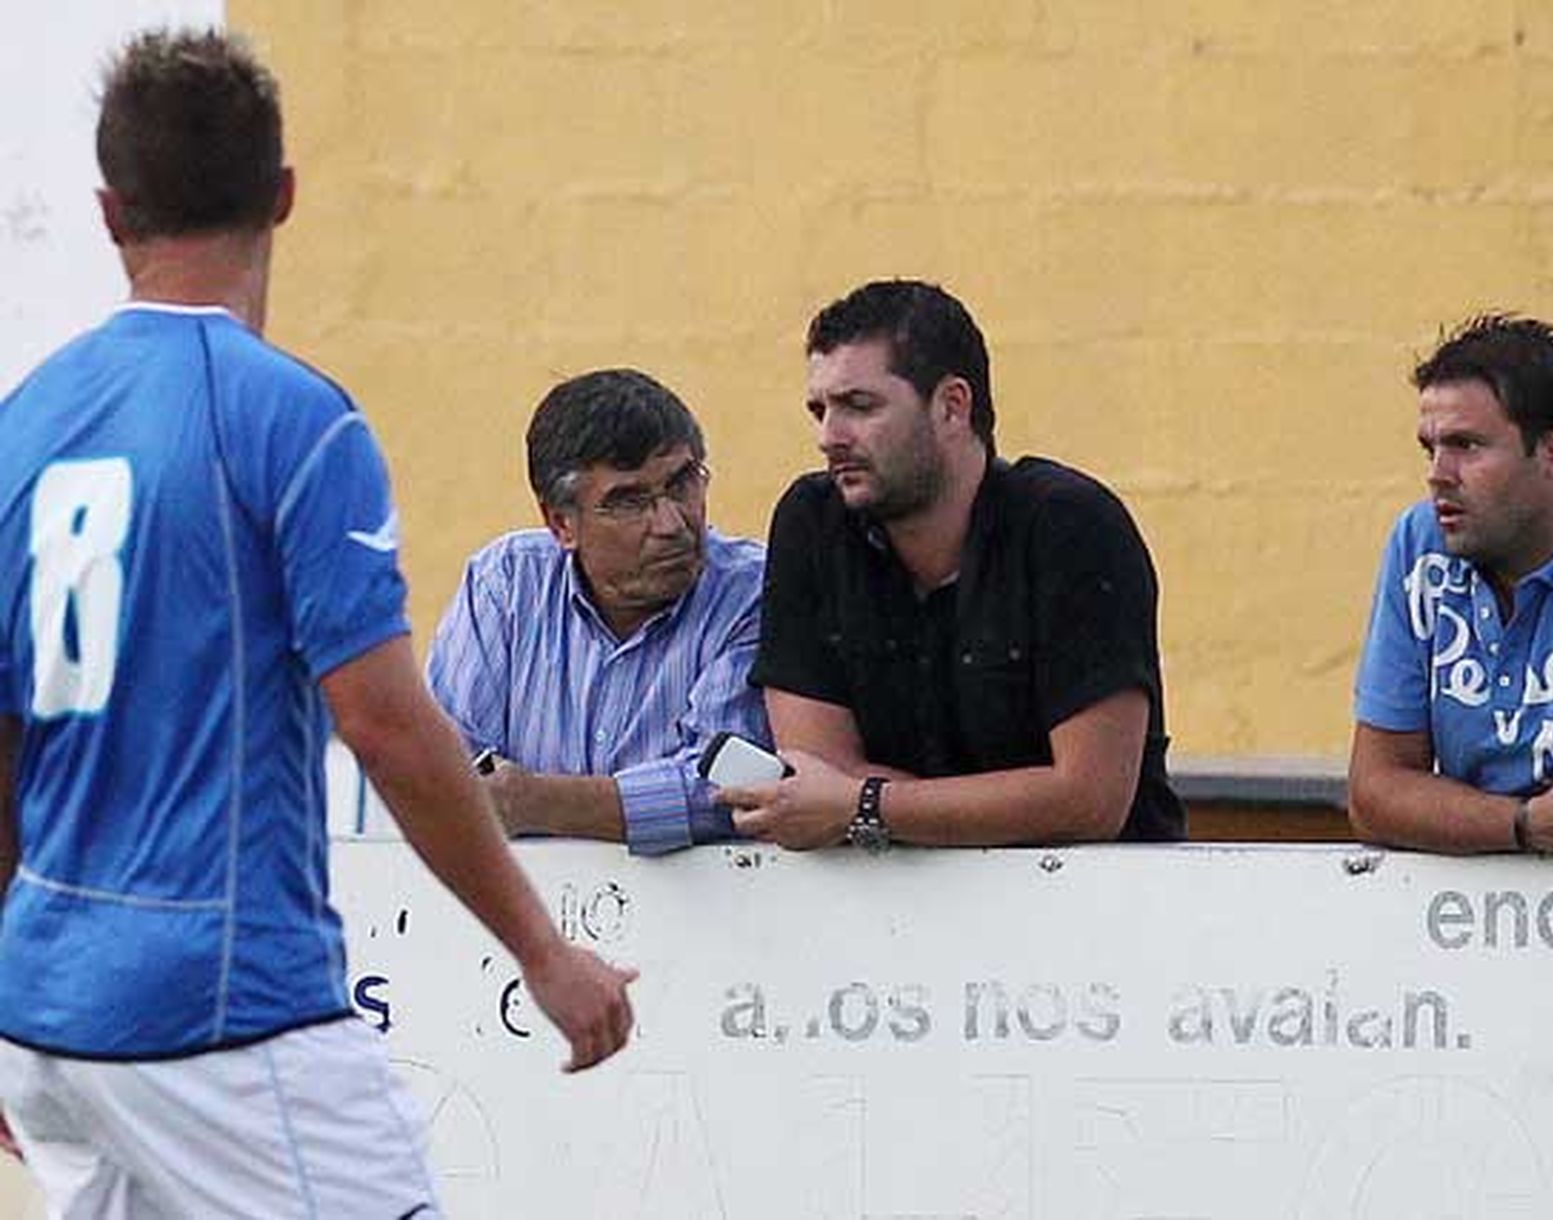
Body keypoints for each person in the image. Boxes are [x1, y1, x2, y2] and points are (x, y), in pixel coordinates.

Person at [0, 29, 634, 1218]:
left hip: (49, 1010)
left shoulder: (20, 428)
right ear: (284, 194)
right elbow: (384, 723)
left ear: (105, 211)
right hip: (226, 1007)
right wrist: (545, 954)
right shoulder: (294, 420)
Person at [725, 278, 1184, 850]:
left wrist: (865, 807)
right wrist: (991, 808)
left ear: (952, 405)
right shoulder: (812, 520)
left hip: (1092, 908)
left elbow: (1090, 800)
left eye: (859, 406)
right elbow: (814, 772)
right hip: (885, 906)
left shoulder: (1070, 525)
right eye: (819, 410)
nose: (828, 437)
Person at [427, 368, 769, 854]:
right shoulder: (506, 582)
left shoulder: (752, 591)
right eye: (629, 502)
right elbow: (446, 774)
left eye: (682, 484)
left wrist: (537, 802)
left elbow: (734, 790)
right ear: (562, 523)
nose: (672, 523)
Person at [1350, 313, 1553, 858]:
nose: (1438, 473)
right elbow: (1375, 791)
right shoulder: (1420, 545)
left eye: (1466, 445)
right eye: (1430, 448)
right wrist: (1529, 824)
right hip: (1479, 922)